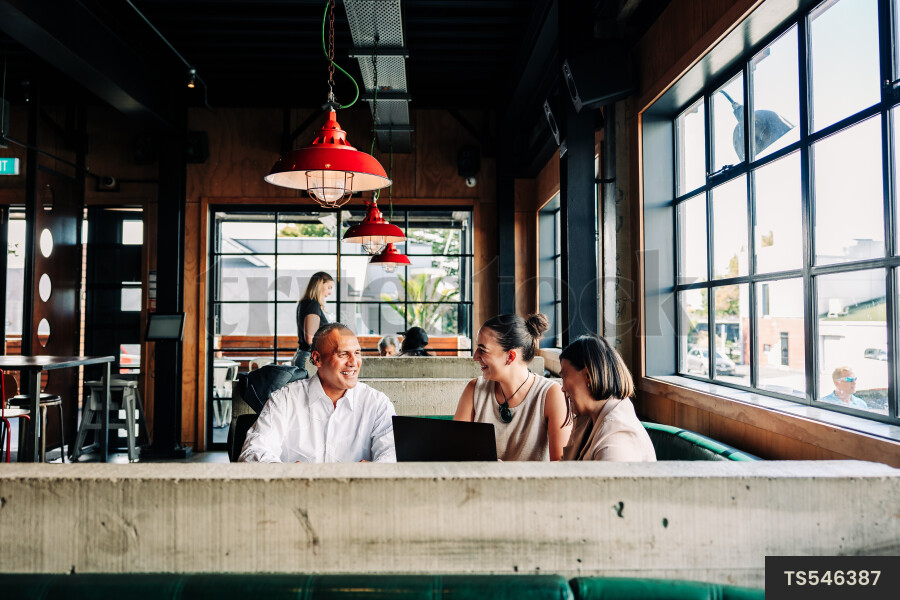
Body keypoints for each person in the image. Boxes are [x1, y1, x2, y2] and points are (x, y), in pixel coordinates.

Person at [239, 323, 397, 463]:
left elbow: (392, 453)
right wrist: (285, 474)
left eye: (357, 353)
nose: (353, 363)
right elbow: (252, 452)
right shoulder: (285, 399)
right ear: (317, 359)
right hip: (297, 494)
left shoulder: (377, 403)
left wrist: (378, 469)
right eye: (343, 354)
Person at [453, 313, 571, 461]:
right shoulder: (474, 389)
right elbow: (455, 452)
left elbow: (561, 466)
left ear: (510, 357)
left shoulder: (551, 394)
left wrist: (505, 471)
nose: (475, 356)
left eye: (482, 350)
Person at [558, 334, 656, 462]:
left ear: (588, 375)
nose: (563, 388)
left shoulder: (618, 436)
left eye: (564, 376)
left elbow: (611, 482)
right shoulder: (588, 419)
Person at [292, 271, 334, 375]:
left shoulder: (306, 303)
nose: (330, 293)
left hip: (304, 357)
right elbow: (310, 339)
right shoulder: (312, 305)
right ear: (320, 285)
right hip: (308, 358)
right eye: (329, 287)